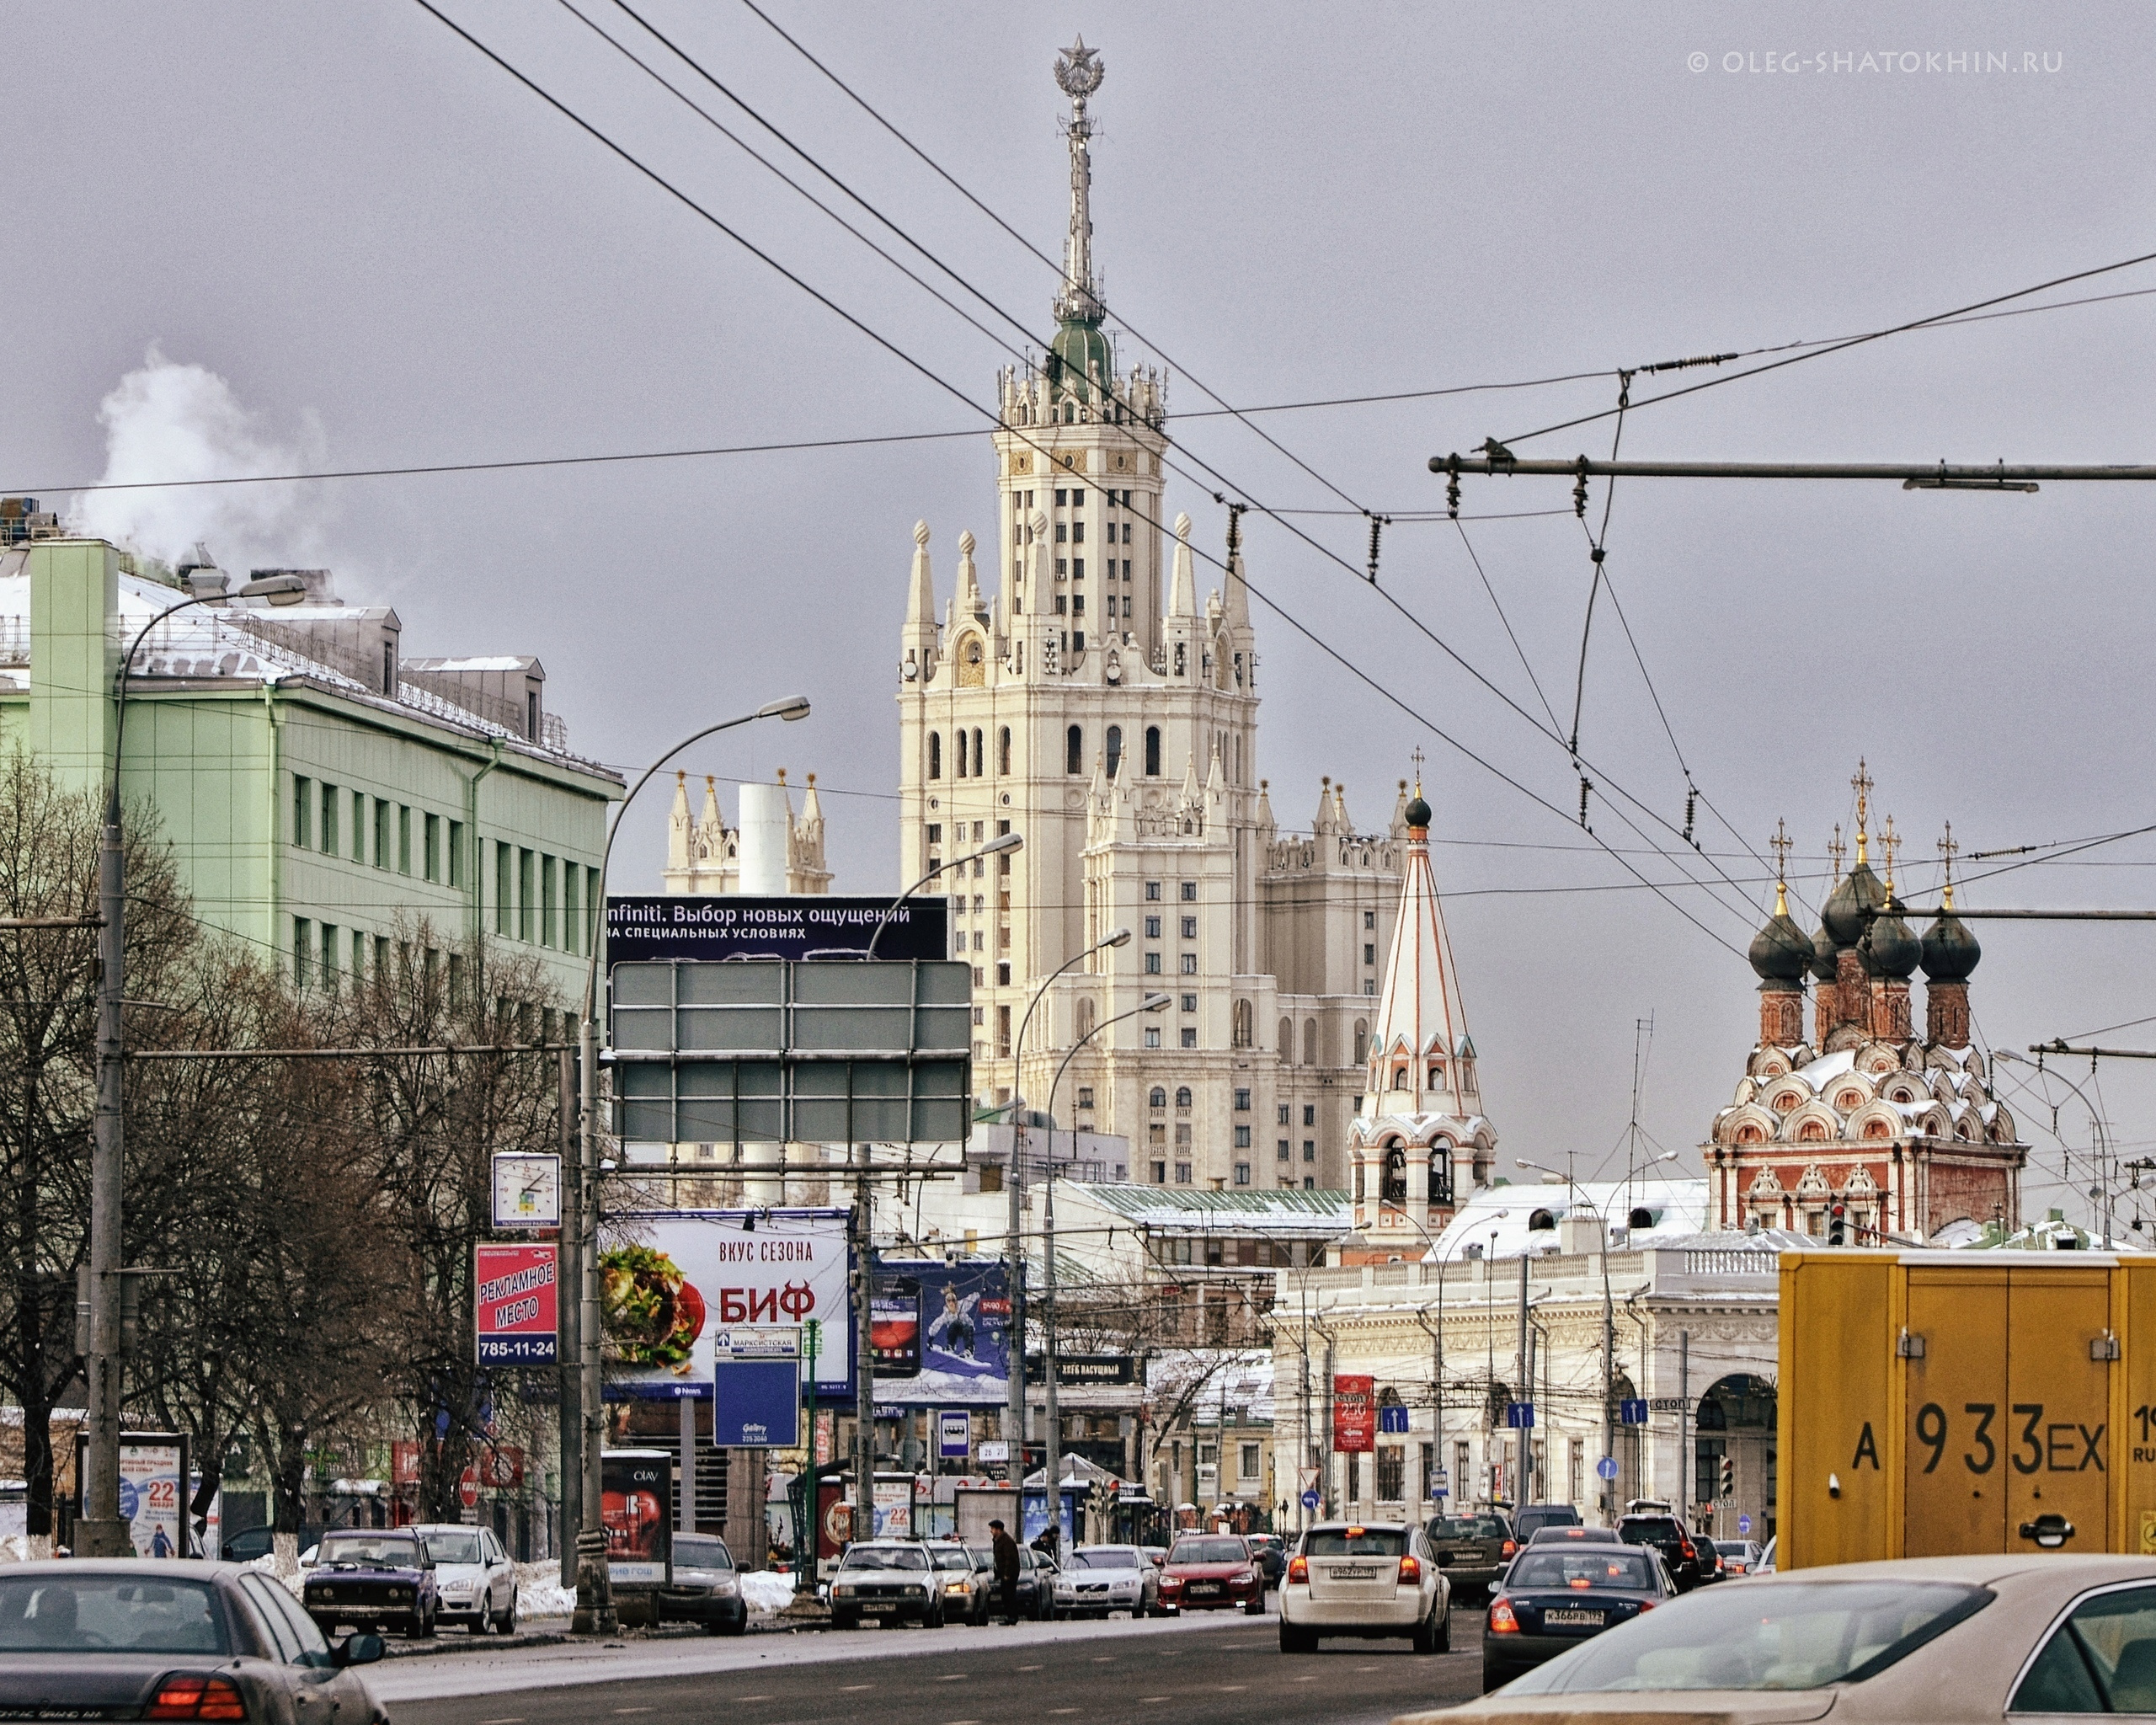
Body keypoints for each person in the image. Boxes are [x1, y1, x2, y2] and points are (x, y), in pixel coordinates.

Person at [989, 1518, 1021, 1625]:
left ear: (999, 1530)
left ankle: (1012, 1617)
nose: (991, 1531)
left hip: (1010, 1573)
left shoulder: (1006, 1541)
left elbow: (1009, 1559)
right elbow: (997, 1559)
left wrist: (1007, 1574)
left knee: (1009, 1595)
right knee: (1005, 1595)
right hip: (1004, 1573)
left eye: (992, 1529)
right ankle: (1010, 1616)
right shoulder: (997, 1541)